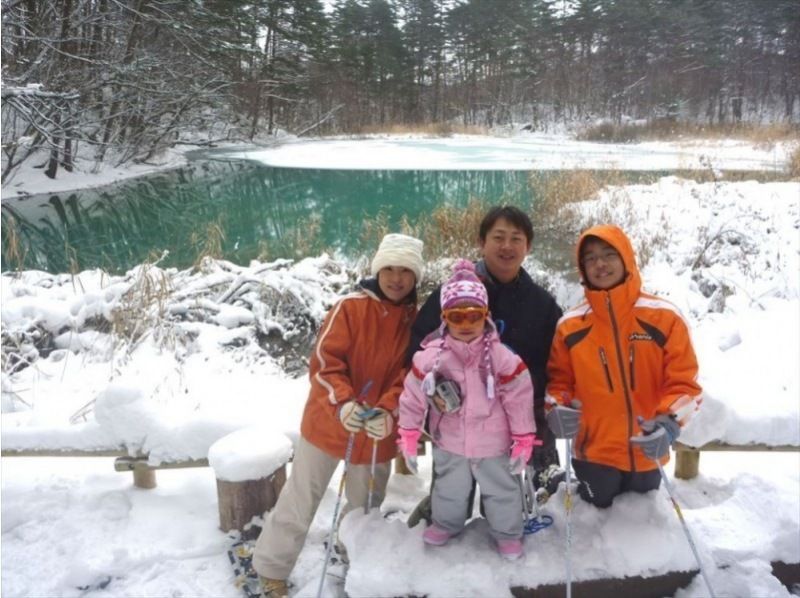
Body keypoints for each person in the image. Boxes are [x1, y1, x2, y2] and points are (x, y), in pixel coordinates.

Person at [252, 233, 424, 598]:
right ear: (377, 270)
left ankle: (353, 553)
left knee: (365, 505)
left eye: (405, 271)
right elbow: (325, 364)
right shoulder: (350, 307)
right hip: (329, 423)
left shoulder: (415, 321)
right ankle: (271, 570)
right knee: (301, 500)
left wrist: (390, 411)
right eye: (389, 269)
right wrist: (344, 403)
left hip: (377, 430)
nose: (396, 278)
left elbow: (409, 375)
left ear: (415, 277)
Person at [405, 205, 563, 526]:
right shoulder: (453, 296)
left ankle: (512, 528)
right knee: (452, 501)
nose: (507, 246)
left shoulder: (542, 304)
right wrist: (433, 394)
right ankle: (441, 515)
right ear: (482, 242)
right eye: (498, 237)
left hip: (515, 421)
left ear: (527, 247)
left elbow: (558, 364)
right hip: (455, 420)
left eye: (516, 239)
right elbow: (419, 349)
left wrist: (543, 405)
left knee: (503, 509)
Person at [545, 224, 702, 508]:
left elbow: (685, 384)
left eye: (608, 254)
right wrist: (556, 408)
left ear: (627, 258)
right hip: (594, 451)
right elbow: (559, 383)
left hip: (647, 448)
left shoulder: (664, 318)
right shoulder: (570, 326)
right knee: (594, 511)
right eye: (590, 258)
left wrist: (669, 423)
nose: (600, 264)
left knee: (641, 516)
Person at [397, 259, 537, 560]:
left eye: (473, 315)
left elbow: (520, 397)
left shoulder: (501, 357)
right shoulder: (432, 358)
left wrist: (523, 438)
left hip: (493, 443)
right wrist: (408, 434)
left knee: (502, 491)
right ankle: (446, 524)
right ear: (444, 317)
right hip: (450, 441)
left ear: (485, 315)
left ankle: (508, 534)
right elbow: (412, 397)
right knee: (449, 488)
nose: (465, 323)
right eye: (456, 316)